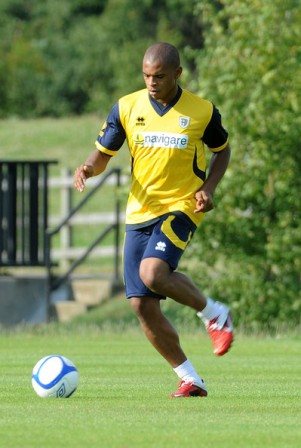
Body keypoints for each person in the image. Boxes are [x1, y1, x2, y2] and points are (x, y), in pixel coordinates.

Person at [74, 42, 233, 398]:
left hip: (181, 205)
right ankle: (191, 378)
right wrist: (88, 167)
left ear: (177, 74)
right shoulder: (127, 107)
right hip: (140, 211)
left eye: (159, 76)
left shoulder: (202, 111)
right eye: (146, 75)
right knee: (141, 305)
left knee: (153, 273)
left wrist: (209, 188)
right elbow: (103, 154)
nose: (151, 82)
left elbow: (222, 151)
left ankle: (215, 314)